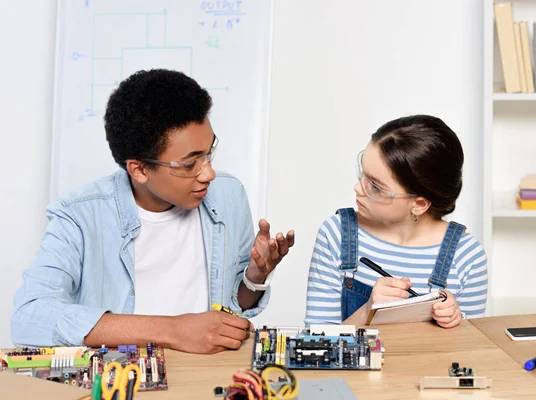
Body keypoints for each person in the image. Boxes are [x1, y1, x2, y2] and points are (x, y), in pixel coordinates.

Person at [11, 69, 295, 354]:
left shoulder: (228, 195)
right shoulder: (79, 216)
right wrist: (172, 330)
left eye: (209, 154)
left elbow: (234, 307)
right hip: (127, 379)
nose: (208, 173)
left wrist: (254, 277)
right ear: (139, 169)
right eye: (190, 164)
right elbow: (30, 317)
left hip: (208, 376)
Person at [304, 114, 487, 328]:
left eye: (376, 186)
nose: (357, 188)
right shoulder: (336, 235)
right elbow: (314, 343)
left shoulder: (466, 256)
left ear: (419, 204)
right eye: (362, 175)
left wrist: (458, 321)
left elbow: (473, 350)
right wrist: (367, 312)